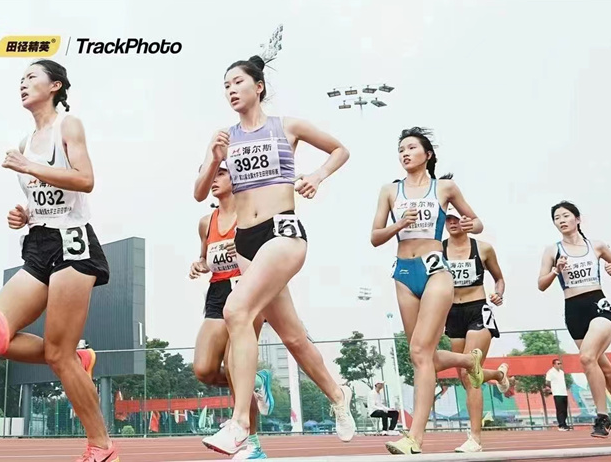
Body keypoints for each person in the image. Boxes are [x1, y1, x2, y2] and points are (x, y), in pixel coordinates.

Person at [194, 55, 355, 456]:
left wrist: (316, 176)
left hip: (282, 231)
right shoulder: (225, 137)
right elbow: (199, 192)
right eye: (226, 86)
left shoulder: (287, 126)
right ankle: (339, 395)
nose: (231, 90)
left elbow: (339, 150)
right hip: (246, 243)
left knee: (236, 311)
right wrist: (214, 157)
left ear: (258, 86)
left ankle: (239, 425)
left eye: (237, 82)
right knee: (293, 337)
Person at [0, 60, 118, 462]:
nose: (23, 83)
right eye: (20, 79)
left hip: (73, 242)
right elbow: (44, 200)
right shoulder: (24, 141)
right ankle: (78, 358)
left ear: (55, 86)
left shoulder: (68, 126)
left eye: (32, 77)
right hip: (38, 243)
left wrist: (29, 166)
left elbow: (85, 179)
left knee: (57, 355)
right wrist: (25, 214)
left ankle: (102, 447)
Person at [370, 127, 510, 455]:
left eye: (411, 148)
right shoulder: (389, 191)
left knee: (421, 352)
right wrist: (399, 224)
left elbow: (477, 222)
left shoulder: (444, 187)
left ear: (427, 154)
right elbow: (375, 237)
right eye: (401, 149)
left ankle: (414, 438)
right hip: (404, 273)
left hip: (435, 270)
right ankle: (469, 362)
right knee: (422, 355)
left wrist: (469, 224)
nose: (405, 153)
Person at [538, 200, 611, 442]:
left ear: (577, 219)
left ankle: (602, 417)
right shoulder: (552, 251)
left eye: (565, 216)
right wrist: (555, 270)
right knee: (604, 369)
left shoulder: (596, 245)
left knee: (586, 358)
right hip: (574, 313)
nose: (561, 221)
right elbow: (541, 284)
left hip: (599, 306)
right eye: (557, 218)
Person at [190, 162, 273, 459]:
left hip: (248, 290)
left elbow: (271, 254)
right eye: (208, 174)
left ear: (235, 176)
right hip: (217, 292)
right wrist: (199, 264)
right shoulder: (206, 222)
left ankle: (253, 445)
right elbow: (205, 257)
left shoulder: (251, 214)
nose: (213, 179)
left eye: (220, 173)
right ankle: (257, 380)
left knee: (236, 364)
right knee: (204, 369)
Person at [442, 205, 511, 453]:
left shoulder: (483, 248)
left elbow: (499, 278)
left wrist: (499, 293)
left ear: (467, 221)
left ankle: (475, 438)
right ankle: (499, 376)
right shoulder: (438, 250)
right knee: (464, 375)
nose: (453, 223)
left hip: (477, 310)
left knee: (471, 372)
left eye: (457, 218)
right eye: (448, 219)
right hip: (452, 313)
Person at [545, 359, 570, 431]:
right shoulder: (550, 372)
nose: (560, 365)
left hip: (564, 392)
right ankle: (561, 425)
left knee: (564, 410)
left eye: (560, 363)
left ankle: (564, 424)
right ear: (554, 364)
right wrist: (551, 388)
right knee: (560, 409)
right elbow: (547, 382)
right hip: (557, 393)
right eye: (558, 364)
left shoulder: (562, 372)